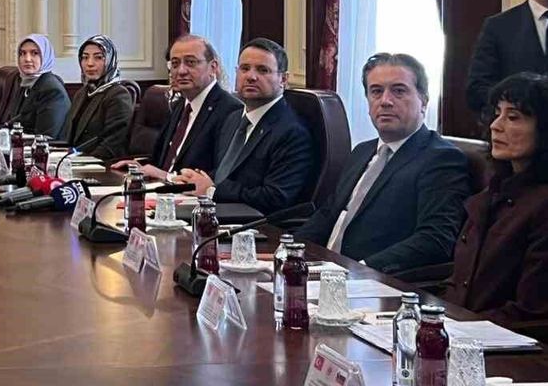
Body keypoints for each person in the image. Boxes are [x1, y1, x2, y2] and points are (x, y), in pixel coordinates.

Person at [294, 53, 470, 274]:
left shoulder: (441, 159)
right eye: (376, 91)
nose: (385, 101)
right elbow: (329, 214)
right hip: (324, 271)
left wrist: (363, 269)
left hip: (373, 281)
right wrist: (290, 251)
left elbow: (435, 239)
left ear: (424, 102)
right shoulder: (362, 151)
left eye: (399, 91)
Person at [443, 73, 548, 324]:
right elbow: (459, 284)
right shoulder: (492, 193)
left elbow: (531, 313)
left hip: (506, 343)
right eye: (497, 114)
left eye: (513, 117)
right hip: (461, 329)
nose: (496, 125)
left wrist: (453, 328)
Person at [177, 38, 316, 215]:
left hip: (254, 224)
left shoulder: (292, 132)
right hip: (217, 212)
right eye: (244, 68)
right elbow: (226, 172)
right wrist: (194, 180)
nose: (251, 76)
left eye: (263, 70)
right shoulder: (233, 118)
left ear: (283, 79)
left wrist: (212, 190)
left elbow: (275, 198)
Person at [115, 34, 243, 179]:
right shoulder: (179, 105)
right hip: (159, 188)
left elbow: (221, 175)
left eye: (190, 62)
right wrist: (140, 167)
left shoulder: (231, 110)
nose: (181, 71)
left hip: (190, 192)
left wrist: (168, 177)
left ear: (213, 67)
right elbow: (163, 162)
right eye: (175, 64)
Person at [58, 35, 136, 161]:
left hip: (101, 165)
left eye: (98, 57)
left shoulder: (118, 95)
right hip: (75, 161)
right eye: (85, 57)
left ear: (109, 60)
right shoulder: (82, 93)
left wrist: (79, 161)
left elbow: (112, 146)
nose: (90, 63)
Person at [0, 34, 69, 139]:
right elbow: (15, 123)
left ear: (45, 56)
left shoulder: (52, 90)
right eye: (22, 53)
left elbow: (46, 137)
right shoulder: (24, 83)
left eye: (34, 53)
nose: (27, 59)